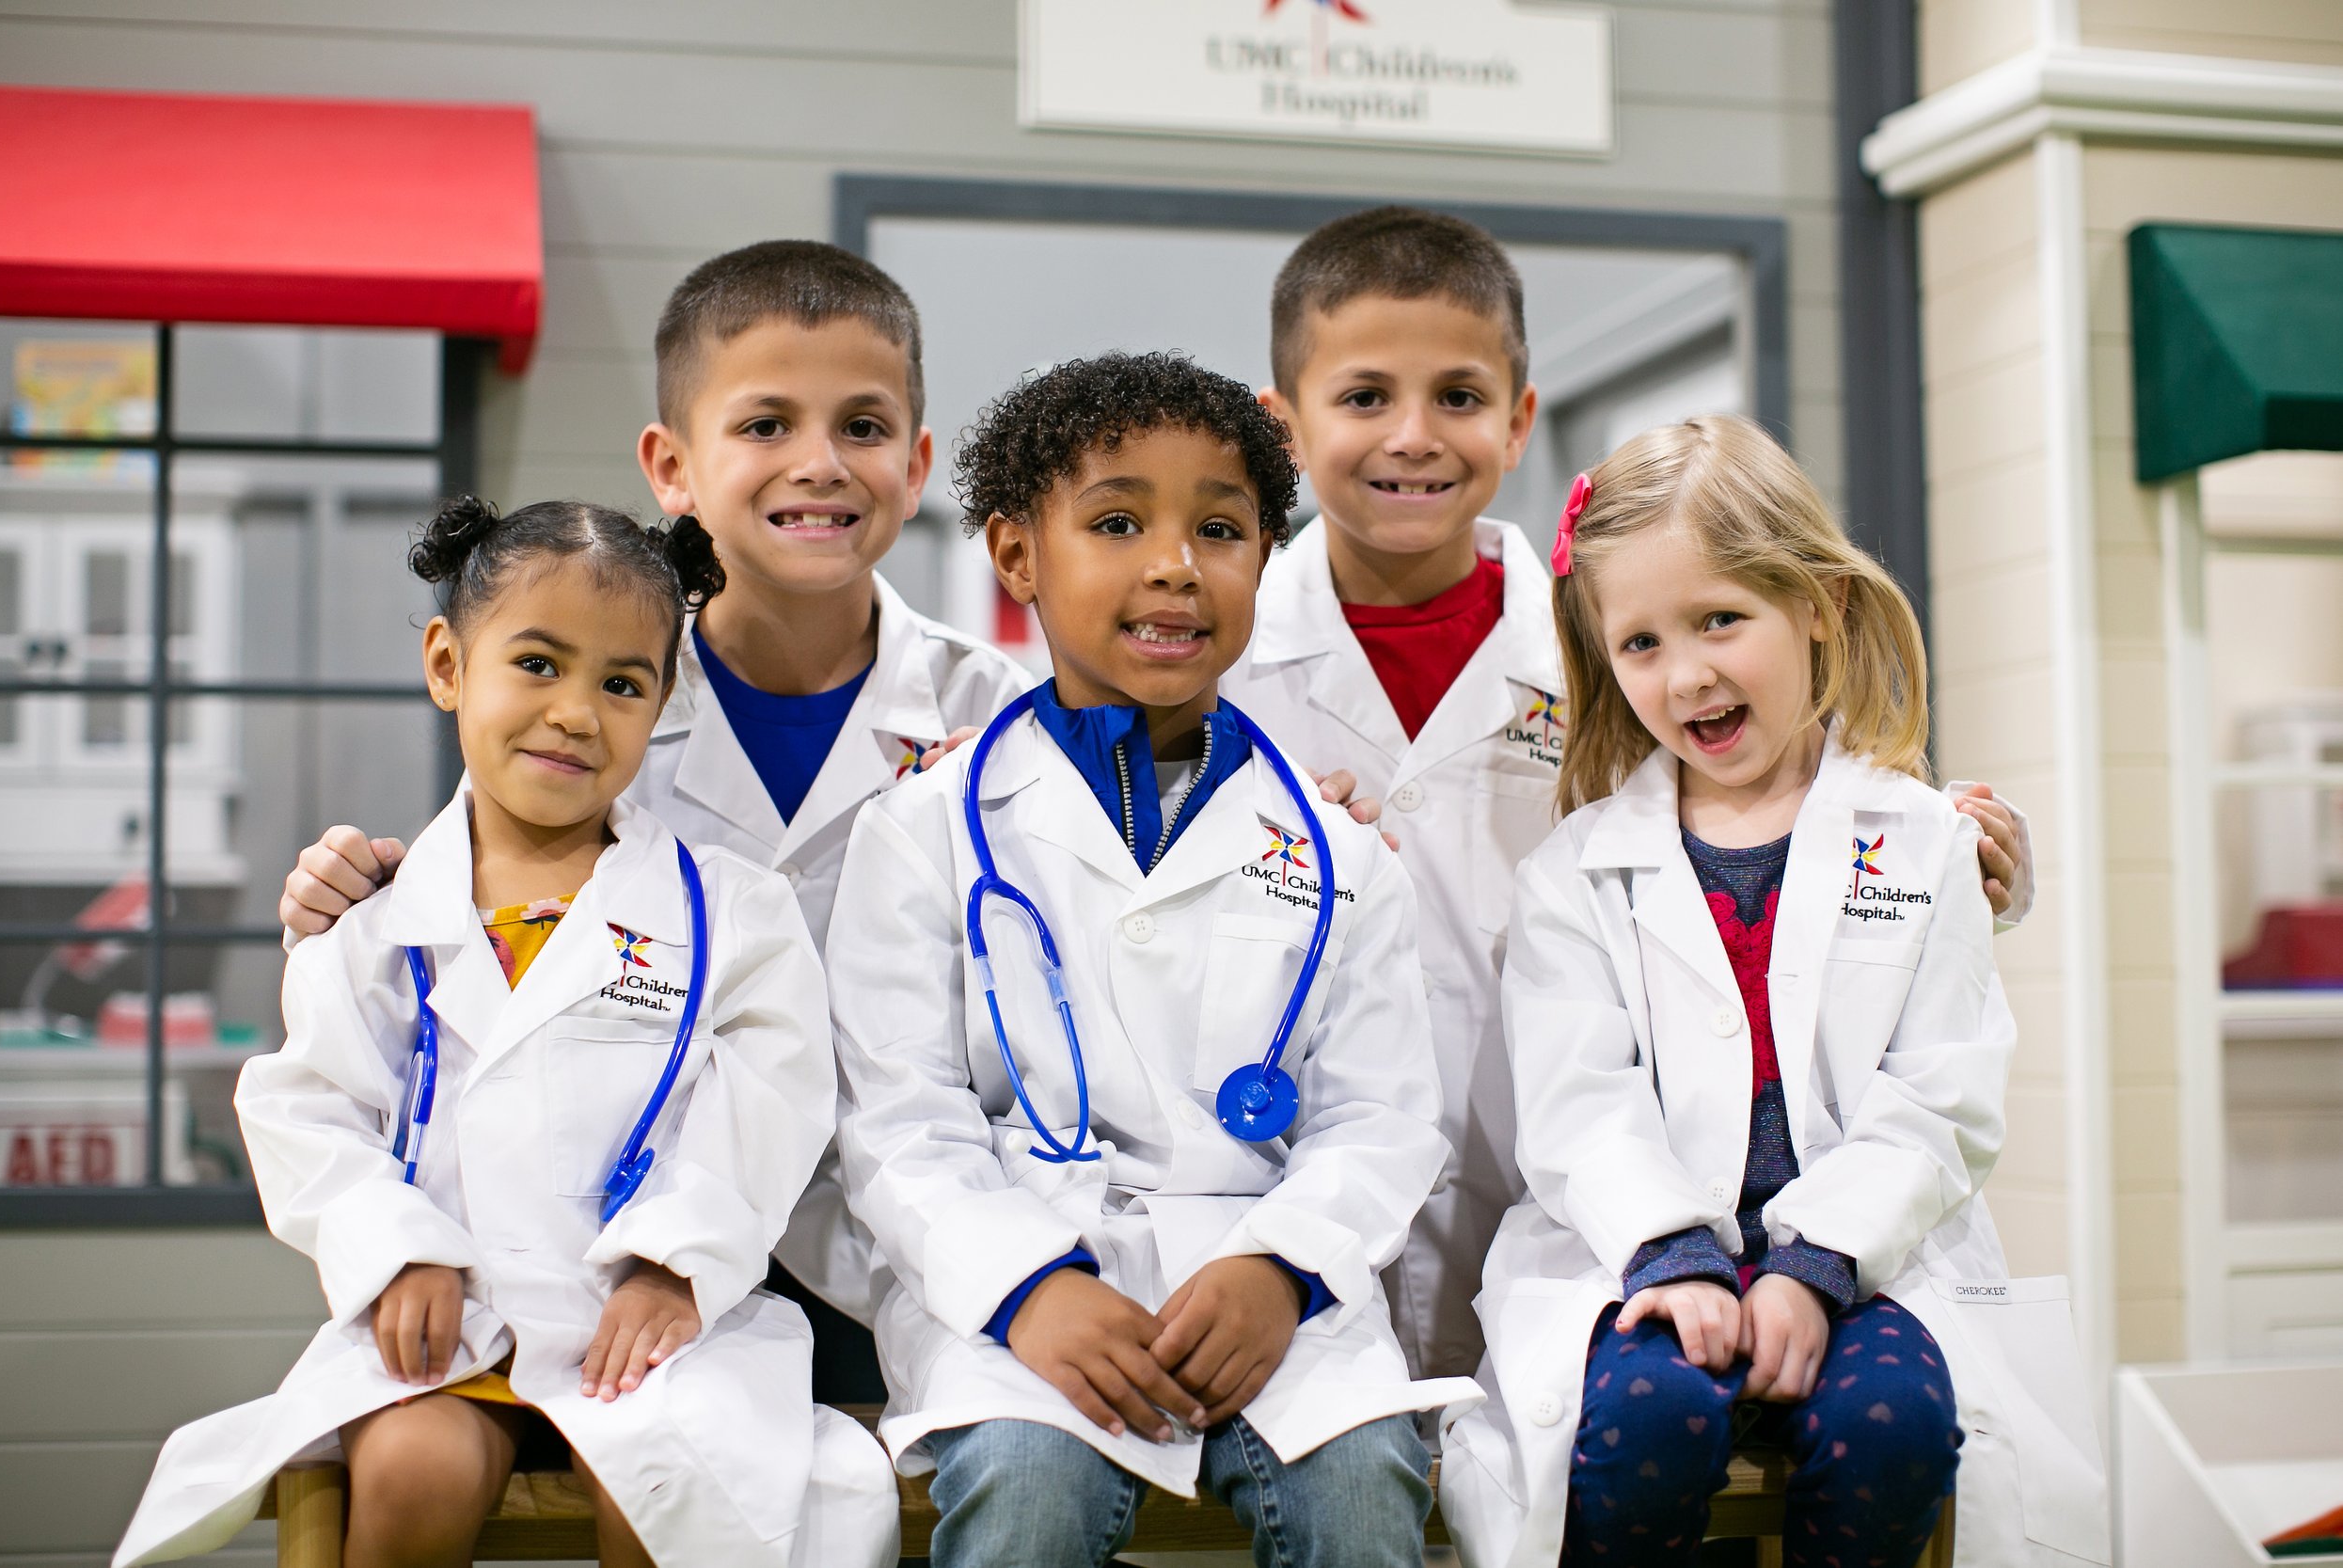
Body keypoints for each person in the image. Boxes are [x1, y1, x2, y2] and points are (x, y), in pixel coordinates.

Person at [1221, 206, 2036, 1381]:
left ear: (1519, 419)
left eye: (1457, 396)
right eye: (1362, 398)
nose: (1412, 434)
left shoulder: (1621, 646)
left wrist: (1976, 862)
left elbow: (1803, 835)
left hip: (1595, 1195)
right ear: (1284, 424)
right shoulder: (1218, 662)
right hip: (1301, 1189)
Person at [271, 241, 1034, 1367]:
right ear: (670, 466)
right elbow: (464, 964)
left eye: (862, 429)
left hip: (918, 1250)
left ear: (916, 465)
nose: (818, 463)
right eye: (765, 424)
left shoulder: (999, 718)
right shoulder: (583, 721)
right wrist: (345, 897)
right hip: (622, 1247)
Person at [115, 499, 896, 1568]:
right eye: (537, 663)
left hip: (653, 1323)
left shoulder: (733, 914)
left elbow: (771, 1106)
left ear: (662, 703)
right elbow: (308, 1105)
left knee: (675, 1501)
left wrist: (677, 1264)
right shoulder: (376, 922)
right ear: (447, 663)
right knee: (410, 1472)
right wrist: (399, 1252)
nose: (575, 712)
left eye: (622, 682)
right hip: (450, 1317)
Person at [825, 353, 1480, 1568]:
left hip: (1271, 1288)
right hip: (1024, 1284)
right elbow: (899, 1118)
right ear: (1017, 556)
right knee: (1030, 1491)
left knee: (1359, 1488)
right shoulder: (923, 827)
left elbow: (1385, 1117)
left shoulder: (1342, 850)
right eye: (1118, 521)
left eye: (1221, 528)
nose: (1176, 563)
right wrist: (1029, 1286)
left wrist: (1283, 1266)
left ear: (1262, 562)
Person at [1437, 417, 2099, 1568]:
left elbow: (1938, 1096)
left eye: (1719, 619)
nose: (1684, 671)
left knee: (1888, 1431)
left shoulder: (1923, 842)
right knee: (1651, 1423)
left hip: (1864, 1255)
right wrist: (1672, 1258)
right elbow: (1573, 1102)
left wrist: (1813, 1266)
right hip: (1638, 1255)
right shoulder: (1573, 873)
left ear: (1817, 607)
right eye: (1638, 641)